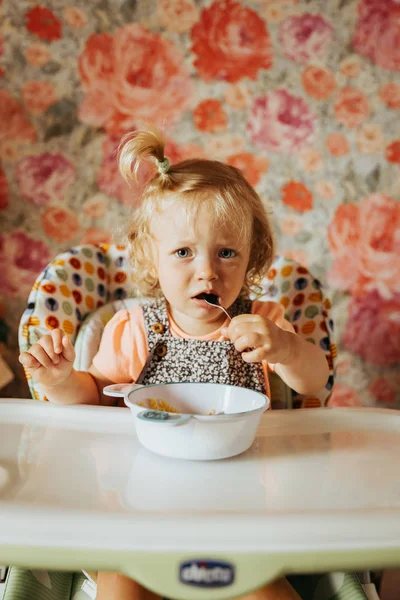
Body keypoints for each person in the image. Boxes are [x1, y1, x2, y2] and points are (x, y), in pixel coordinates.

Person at [19, 126, 329, 600]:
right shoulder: (136, 331)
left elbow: (315, 382)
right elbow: (93, 396)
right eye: (183, 252)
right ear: (151, 258)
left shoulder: (265, 323)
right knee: (122, 587)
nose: (207, 270)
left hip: (243, 515)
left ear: (251, 259)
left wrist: (285, 350)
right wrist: (61, 380)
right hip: (140, 511)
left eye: (227, 253)